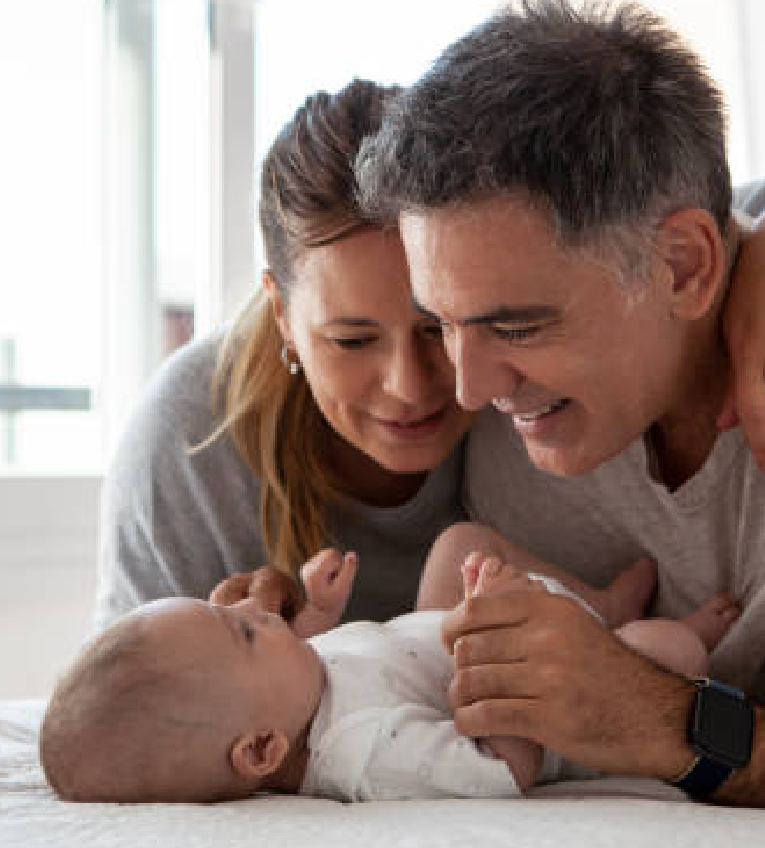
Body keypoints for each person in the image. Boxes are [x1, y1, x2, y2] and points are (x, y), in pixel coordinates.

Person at [96, 72, 765, 635]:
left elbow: (683, 215)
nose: (412, 387)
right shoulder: (188, 444)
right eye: (351, 340)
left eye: (436, 325)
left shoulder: (519, 340)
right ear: (281, 312)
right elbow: (127, 718)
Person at [354, 0, 765, 806]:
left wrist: (654, 718)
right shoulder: (497, 416)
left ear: (682, 266)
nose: (468, 390)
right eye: (443, 323)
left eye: (516, 325)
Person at [40, 543, 735, 804]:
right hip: (554, 694)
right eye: (248, 632)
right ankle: (619, 629)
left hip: (450, 629)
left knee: (455, 544)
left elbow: (336, 657)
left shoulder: (291, 691)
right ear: (261, 750)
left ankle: (598, 600)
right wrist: (489, 639)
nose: (257, 605)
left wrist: (315, 613)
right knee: (674, 654)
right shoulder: (362, 749)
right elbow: (499, 769)